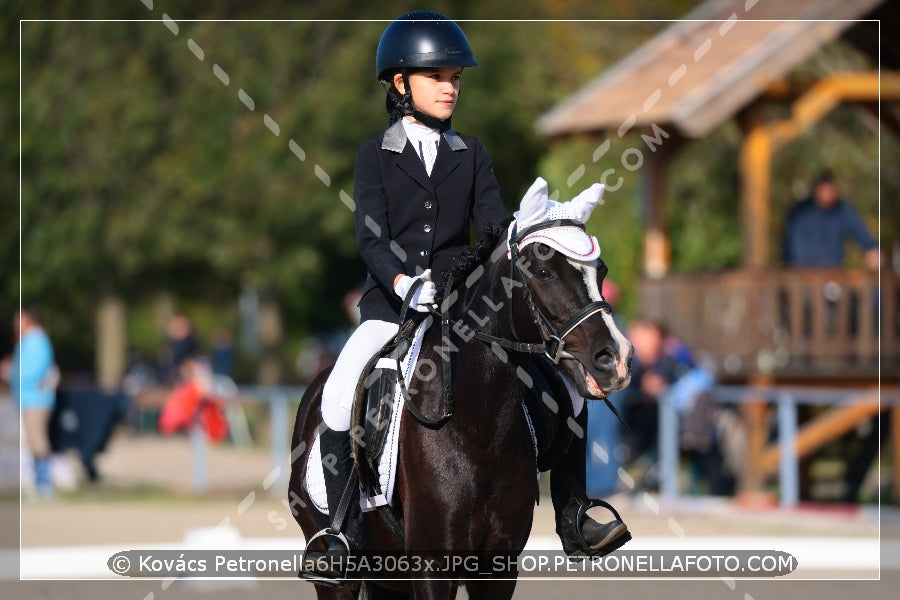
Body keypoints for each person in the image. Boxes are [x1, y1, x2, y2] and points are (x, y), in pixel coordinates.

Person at [309, 11, 628, 579]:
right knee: (338, 392)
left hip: (462, 313)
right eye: (438, 77)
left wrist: (534, 236)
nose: (451, 86)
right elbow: (371, 237)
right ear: (400, 83)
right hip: (393, 307)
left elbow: (493, 227)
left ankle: (575, 513)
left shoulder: (471, 153)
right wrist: (407, 284)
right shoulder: (374, 156)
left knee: (570, 393)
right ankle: (338, 532)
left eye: (455, 76)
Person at [1, 307, 59, 498]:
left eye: (19, 319)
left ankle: (44, 484)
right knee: (33, 441)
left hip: (36, 399)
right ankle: (40, 483)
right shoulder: (28, 341)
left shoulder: (36, 341)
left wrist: (10, 372)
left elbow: (31, 371)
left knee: (38, 441)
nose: (16, 324)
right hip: (28, 398)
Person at [783, 172, 879, 269]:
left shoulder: (841, 210)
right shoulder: (801, 212)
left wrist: (871, 248)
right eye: (823, 189)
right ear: (816, 189)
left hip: (832, 273)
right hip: (802, 273)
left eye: (829, 190)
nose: (826, 193)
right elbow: (792, 245)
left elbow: (860, 231)